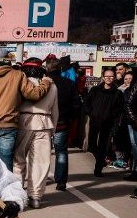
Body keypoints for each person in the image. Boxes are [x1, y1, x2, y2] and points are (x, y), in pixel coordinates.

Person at [0, 58, 53, 171]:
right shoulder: (17, 75)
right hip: (8, 126)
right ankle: (6, 188)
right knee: (6, 166)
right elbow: (34, 95)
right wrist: (46, 82)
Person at [13, 58, 58, 208]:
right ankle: (36, 196)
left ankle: (17, 194)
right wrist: (53, 129)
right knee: (41, 162)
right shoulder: (52, 86)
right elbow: (55, 111)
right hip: (45, 123)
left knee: (18, 159)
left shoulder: (21, 83)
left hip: (23, 121)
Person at [45, 57, 79, 190]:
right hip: (62, 122)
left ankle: (40, 179)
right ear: (60, 68)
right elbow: (76, 104)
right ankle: (61, 181)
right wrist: (70, 118)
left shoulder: (44, 83)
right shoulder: (69, 83)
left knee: (42, 151)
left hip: (45, 122)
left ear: (47, 68)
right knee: (61, 152)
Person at [85, 68, 124, 177]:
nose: (109, 78)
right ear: (103, 77)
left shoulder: (118, 93)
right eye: (107, 76)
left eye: (111, 76)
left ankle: (98, 169)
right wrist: (90, 113)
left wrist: (114, 121)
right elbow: (87, 103)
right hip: (94, 122)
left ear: (114, 77)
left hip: (108, 124)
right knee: (92, 145)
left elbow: (119, 110)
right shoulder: (95, 90)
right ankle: (100, 160)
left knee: (103, 146)